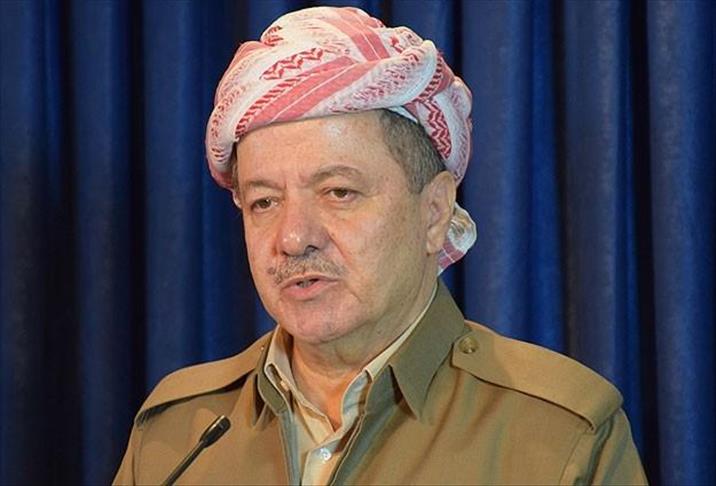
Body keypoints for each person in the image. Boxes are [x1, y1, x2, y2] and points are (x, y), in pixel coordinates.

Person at [114, 6, 646, 485]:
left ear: (434, 212)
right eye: (264, 202)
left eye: (338, 192)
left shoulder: (559, 437)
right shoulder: (179, 434)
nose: (293, 238)